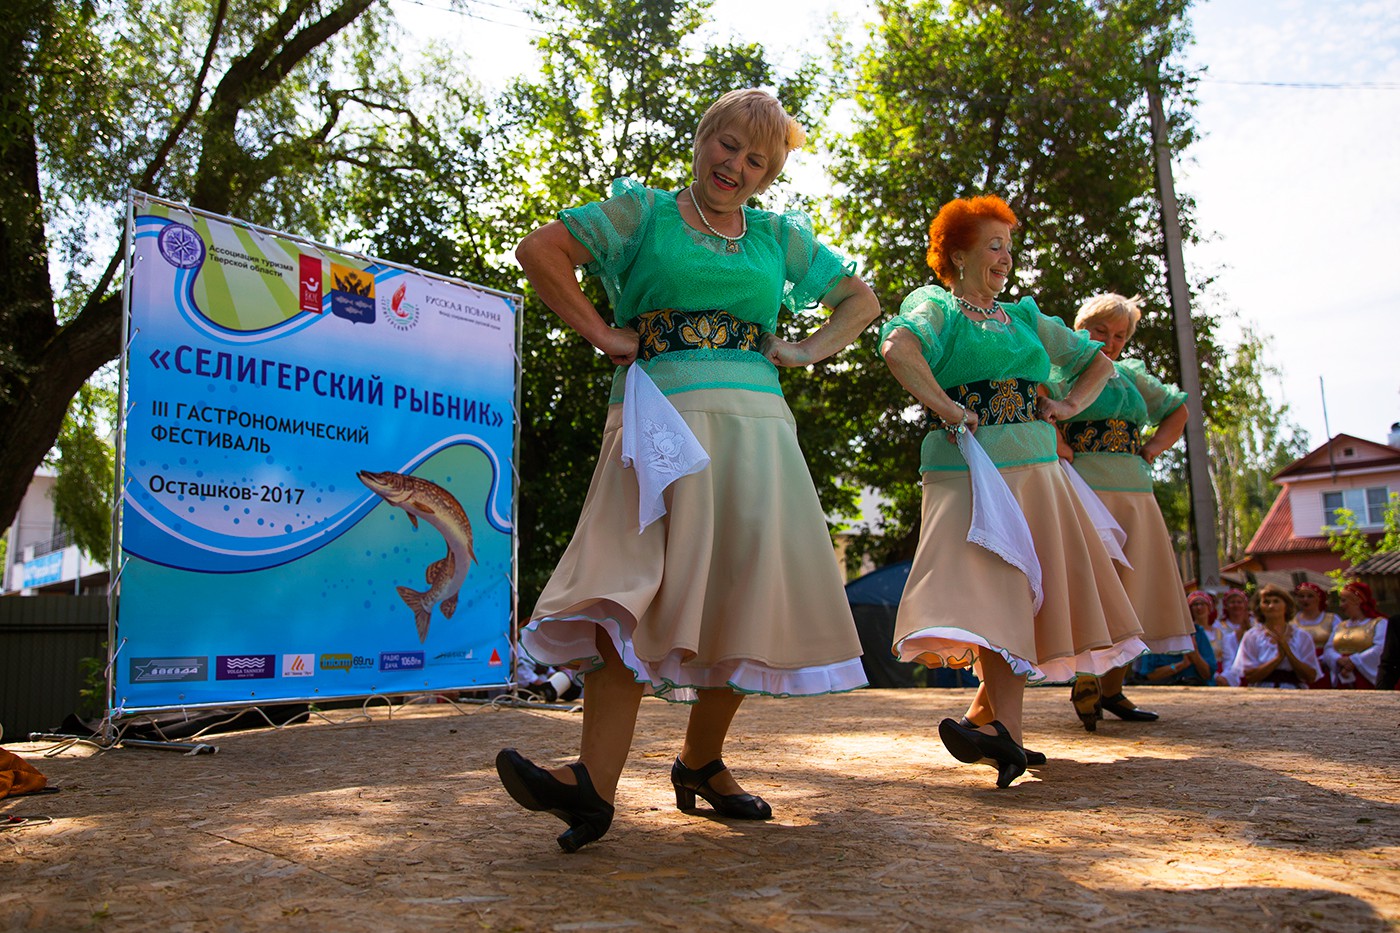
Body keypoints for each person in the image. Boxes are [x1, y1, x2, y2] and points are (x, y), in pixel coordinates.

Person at [500, 89, 880, 851]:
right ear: (704, 137)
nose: (736, 165)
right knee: (627, 586)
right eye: (728, 144)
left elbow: (861, 301)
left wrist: (803, 350)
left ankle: (701, 762)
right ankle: (592, 787)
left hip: (756, 431)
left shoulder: (777, 238)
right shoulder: (643, 214)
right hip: (653, 426)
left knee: (737, 595)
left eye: (756, 159)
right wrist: (601, 332)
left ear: (769, 175)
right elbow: (541, 251)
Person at [880, 194, 1145, 788]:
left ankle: (993, 725)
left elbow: (1096, 361)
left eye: (1009, 247)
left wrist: (1070, 404)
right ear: (958, 252)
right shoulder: (936, 307)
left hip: (1036, 468)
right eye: (994, 245)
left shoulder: (1023, 316)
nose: (1005, 258)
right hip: (969, 471)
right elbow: (898, 348)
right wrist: (947, 406)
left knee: (1017, 590)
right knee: (994, 590)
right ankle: (1003, 734)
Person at [1056, 293, 1196, 728]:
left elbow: (1177, 410)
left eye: (1119, 335)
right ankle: (1085, 680)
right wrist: (1059, 443)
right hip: (1085, 492)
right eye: (1100, 331)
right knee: (1092, 587)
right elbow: (1038, 411)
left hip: (1136, 494)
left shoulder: (1131, 375)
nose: (1111, 342)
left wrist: (1153, 447)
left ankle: (1113, 689)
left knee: (1134, 590)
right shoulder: (1060, 373)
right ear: (1080, 328)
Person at [1226, 584, 1320, 688]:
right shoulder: (1252, 636)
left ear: (1286, 606)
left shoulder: (1302, 636)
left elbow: (1311, 676)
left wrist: (1288, 653)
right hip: (1262, 691)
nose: (1271, 606)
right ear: (1260, 607)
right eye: (1266, 602)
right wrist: (1278, 658)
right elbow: (1249, 676)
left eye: (1276, 601)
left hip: (1295, 691)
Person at [1128, 589, 1217, 686]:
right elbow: (1149, 675)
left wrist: (1195, 656)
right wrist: (1180, 666)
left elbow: (1208, 674)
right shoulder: (1152, 636)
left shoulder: (1196, 633)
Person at [1320, 581, 1390, 689]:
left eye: (1344, 600)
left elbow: (1381, 648)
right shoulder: (1340, 626)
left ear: (1357, 601)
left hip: (1366, 679)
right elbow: (1329, 648)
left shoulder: (1378, 623)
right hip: (1342, 677)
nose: (1340, 605)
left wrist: (1354, 661)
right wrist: (1338, 659)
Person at [1293, 581, 1339, 688]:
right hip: (1300, 668)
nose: (1305, 599)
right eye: (1301, 596)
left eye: (1310, 596)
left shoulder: (1332, 619)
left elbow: (1338, 643)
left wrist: (1326, 659)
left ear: (1318, 599)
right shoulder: (1292, 622)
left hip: (1326, 667)